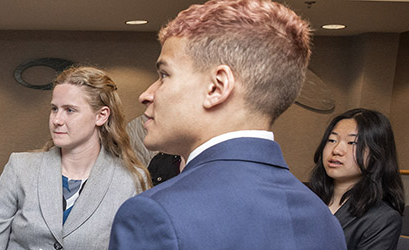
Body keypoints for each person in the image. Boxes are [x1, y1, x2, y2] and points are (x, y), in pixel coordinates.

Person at [109, 0, 347, 249]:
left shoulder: (154, 214)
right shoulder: (322, 219)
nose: (146, 94)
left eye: (164, 75)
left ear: (216, 87)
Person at [0, 66, 150, 249]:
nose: (57, 120)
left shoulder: (130, 180)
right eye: (54, 109)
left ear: (101, 115)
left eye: (70, 110)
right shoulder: (21, 168)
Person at [309, 108, 404, 250]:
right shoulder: (302, 195)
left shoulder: (383, 219)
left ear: (377, 153)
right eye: (332, 140)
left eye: (352, 143)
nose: (336, 150)